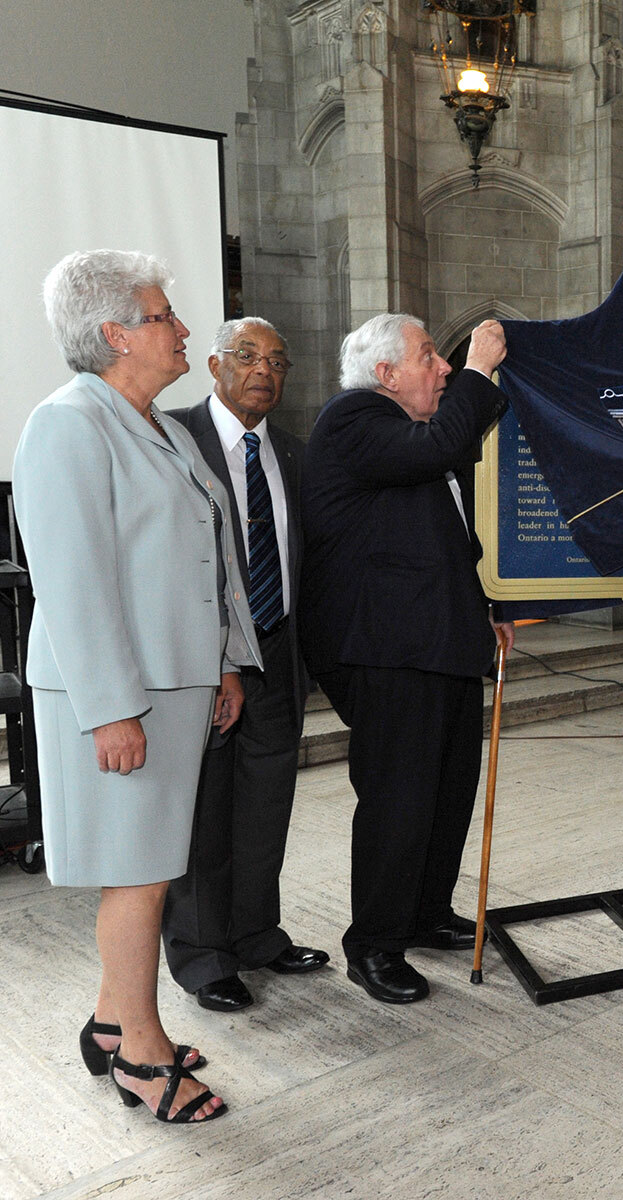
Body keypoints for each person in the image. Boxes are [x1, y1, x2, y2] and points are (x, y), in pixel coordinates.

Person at [15, 249, 261, 1123]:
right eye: (164, 315)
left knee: (150, 867)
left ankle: (111, 1023)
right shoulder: (69, 423)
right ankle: (143, 1054)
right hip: (122, 696)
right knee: (140, 874)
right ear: (115, 332)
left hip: (175, 684)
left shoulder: (151, 421)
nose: (184, 329)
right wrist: (112, 708)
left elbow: (205, 553)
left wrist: (227, 660)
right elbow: (73, 580)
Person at [300, 314, 513, 1004]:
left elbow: (444, 544)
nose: (445, 369)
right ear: (386, 374)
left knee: (447, 793)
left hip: (439, 643)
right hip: (385, 650)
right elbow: (445, 443)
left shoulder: (412, 439)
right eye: (431, 357)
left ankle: (424, 913)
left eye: (449, 362)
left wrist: (482, 613)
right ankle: (376, 944)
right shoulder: (353, 418)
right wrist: (481, 366)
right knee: (400, 800)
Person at [160, 318, 328, 1012]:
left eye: (278, 361)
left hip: (278, 657)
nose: (266, 370)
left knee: (266, 808)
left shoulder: (291, 451)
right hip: (202, 660)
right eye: (249, 356)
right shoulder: (170, 438)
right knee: (204, 813)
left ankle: (258, 935)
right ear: (213, 364)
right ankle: (204, 958)